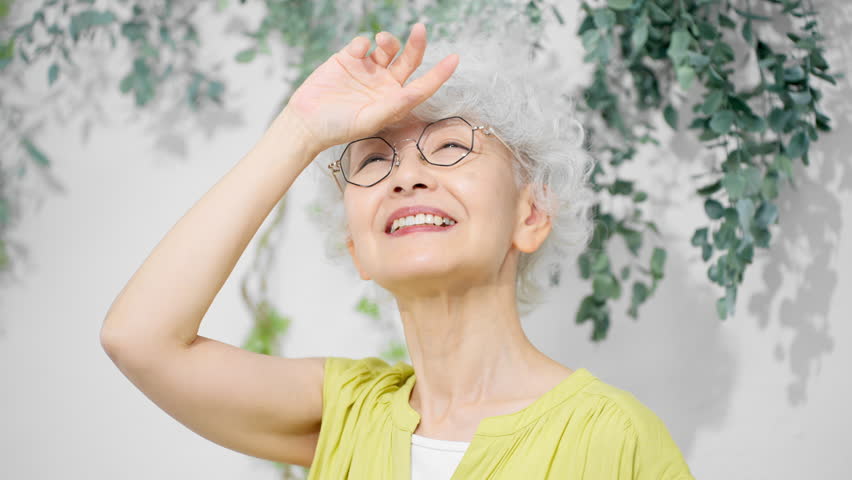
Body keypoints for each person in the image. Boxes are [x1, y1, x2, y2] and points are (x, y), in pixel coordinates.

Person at [100, 21, 695, 480]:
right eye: (376, 160)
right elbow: (139, 340)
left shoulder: (616, 439)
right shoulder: (342, 413)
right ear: (356, 247)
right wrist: (300, 132)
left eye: (451, 147)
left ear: (531, 213)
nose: (405, 178)